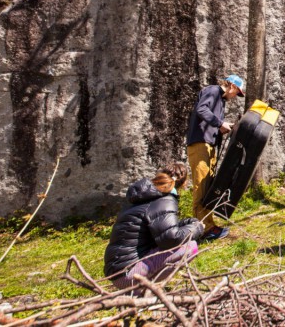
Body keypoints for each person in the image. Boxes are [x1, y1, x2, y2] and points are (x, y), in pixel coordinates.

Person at [104, 162, 204, 290]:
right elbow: (171, 238)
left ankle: (141, 287)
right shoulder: (164, 200)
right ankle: (143, 289)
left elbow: (159, 230)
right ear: (184, 184)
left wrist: (188, 223)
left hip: (116, 272)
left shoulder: (142, 197)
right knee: (190, 246)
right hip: (128, 276)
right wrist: (198, 228)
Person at [186, 74, 245, 240]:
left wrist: (220, 129)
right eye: (237, 93)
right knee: (201, 185)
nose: (235, 97)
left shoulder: (221, 100)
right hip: (200, 144)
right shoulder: (213, 91)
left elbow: (207, 120)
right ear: (231, 86)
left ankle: (208, 225)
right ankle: (204, 229)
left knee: (208, 185)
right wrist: (220, 123)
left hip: (208, 144)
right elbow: (201, 109)